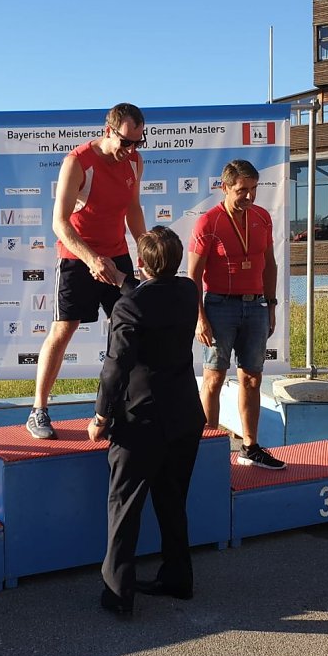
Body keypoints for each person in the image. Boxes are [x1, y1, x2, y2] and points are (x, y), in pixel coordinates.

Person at [88, 227, 205, 616]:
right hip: (184, 416)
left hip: (141, 421)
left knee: (123, 505)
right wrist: (123, 280)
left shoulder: (130, 307)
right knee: (173, 502)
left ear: (141, 262)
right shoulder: (188, 291)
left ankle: (118, 594)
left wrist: (101, 415)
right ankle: (178, 578)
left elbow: (114, 368)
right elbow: (153, 294)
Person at [26, 103, 147, 440]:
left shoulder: (135, 162)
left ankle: (118, 408)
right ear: (108, 131)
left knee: (132, 328)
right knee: (63, 329)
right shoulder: (78, 162)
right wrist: (92, 259)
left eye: (138, 142)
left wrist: (146, 252)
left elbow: (133, 209)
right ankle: (39, 410)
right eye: (126, 142)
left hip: (117, 254)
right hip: (77, 255)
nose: (131, 150)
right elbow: (59, 223)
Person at [187, 159, 284, 470]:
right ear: (224, 187)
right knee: (214, 378)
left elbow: (269, 264)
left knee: (252, 378)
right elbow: (193, 277)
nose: (250, 197)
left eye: (254, 189)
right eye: (243, 190)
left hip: (255, 305)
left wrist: (271, 304)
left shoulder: (262, 218)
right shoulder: (208, 223)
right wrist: (200, 317)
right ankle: (208, 447)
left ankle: (250, 446)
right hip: (219, 307)